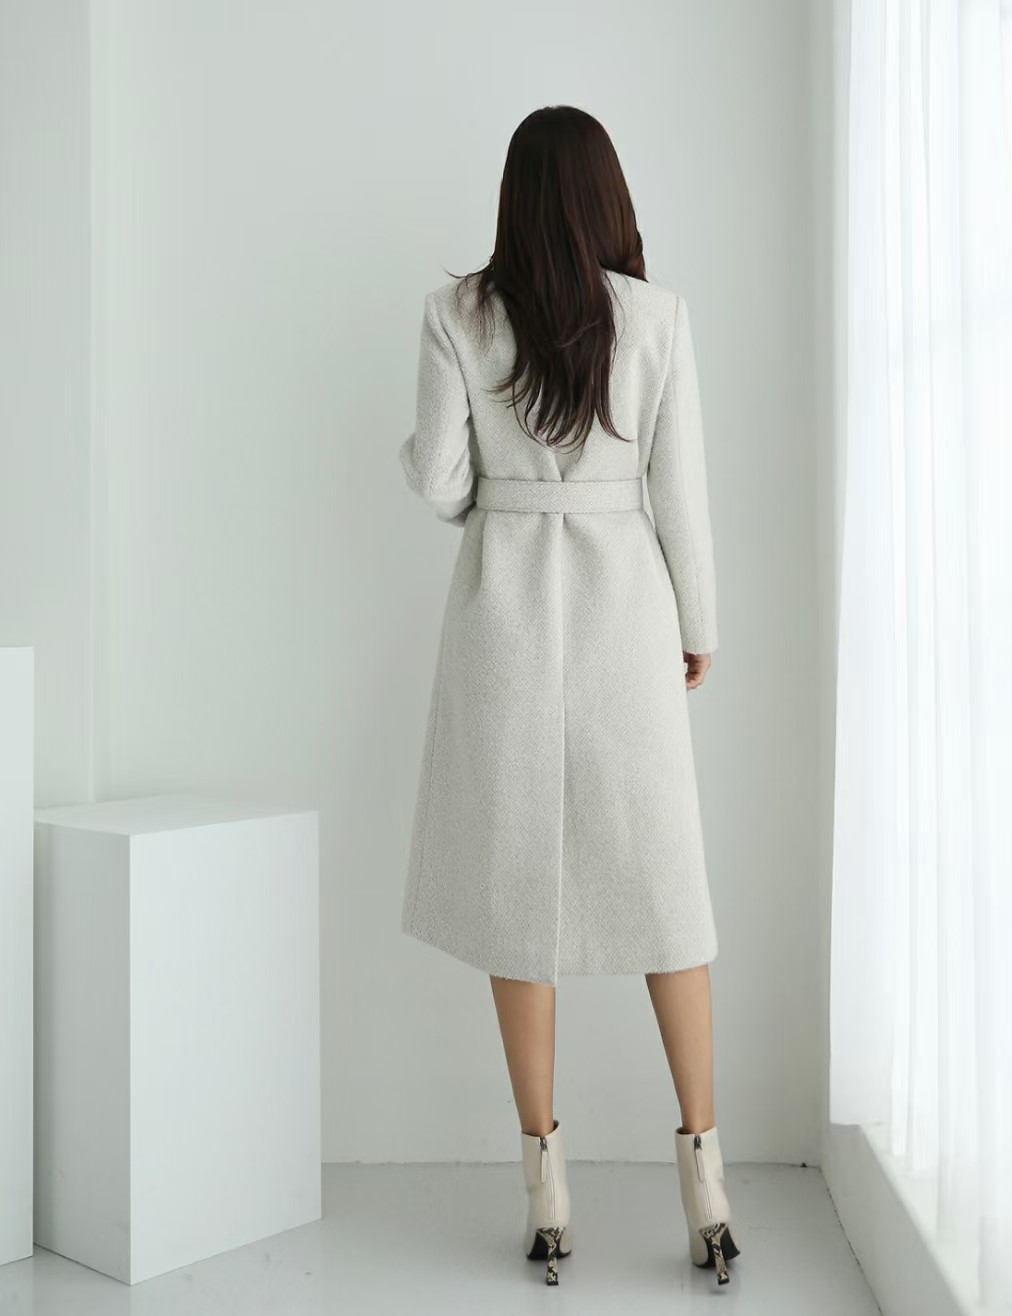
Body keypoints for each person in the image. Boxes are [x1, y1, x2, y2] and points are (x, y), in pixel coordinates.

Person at [398, 104, 736, 1287]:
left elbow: (441, 484)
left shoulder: (456, 314)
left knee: (516, 892)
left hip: (503, 616)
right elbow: (680, 493)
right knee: (664, 892)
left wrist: (440, 461)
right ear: (607, 198)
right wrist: (699, 626)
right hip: (624, 613)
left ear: (514, 198)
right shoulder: (657, 316)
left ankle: (546, 1188)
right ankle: (707, 1183)